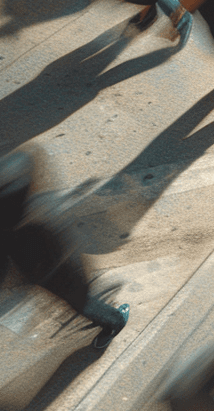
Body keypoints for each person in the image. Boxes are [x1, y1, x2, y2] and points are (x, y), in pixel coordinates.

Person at [0, 147, 130, 350]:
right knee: (78, 300)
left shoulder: (27, 222)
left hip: (55, 272)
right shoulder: (36, 207)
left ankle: (114, 321)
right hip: (52, 270)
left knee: (82, 302)